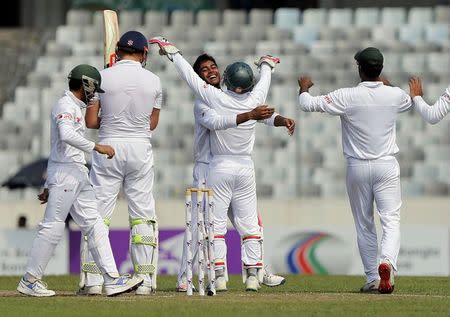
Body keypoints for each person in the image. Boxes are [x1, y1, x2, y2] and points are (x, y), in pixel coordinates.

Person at [150, 37, 295, 291]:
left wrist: (173, 54)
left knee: (241, 223)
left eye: (213, 67)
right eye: (204, 70)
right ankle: (187, 277)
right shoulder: (205, 100)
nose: (211, 71)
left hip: (220, 168)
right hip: (207, 169)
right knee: (201, 227)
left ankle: (252, 272)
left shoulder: (219, 97)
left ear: (225, 75)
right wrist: (266, 66)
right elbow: (246, 107)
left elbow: (260, 114)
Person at [16, 64, 142, 297]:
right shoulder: (65, 105)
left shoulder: (73, 106)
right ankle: (30, 280)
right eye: (93, 90)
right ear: (86, 84)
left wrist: (46, 185)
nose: (94, 95)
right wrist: (97, 147)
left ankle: (111, 279)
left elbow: (58, 147)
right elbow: (65, 136)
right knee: (53, 226)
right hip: (65, 173)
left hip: (75, 172)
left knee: (95, 224)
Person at [297, 47, 414, 294]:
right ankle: (388, 263)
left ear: (359, 69)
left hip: (357, 167)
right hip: (386, 165)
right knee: (391, 221)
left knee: (364, 223)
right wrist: (385, 82)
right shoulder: (394, 96)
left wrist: (304, 87)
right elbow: (406, 99)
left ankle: (373, 277)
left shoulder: (347, 95)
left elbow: (306, 105)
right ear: (380, 70)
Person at [80, 31, 162, 296]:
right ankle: (145, 280)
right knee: (141, 214)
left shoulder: (100, 77)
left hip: (108, 147)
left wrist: (112, 119)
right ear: (143, 53)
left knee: (98, 215)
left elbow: (91, 122)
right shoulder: (154, 81)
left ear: (117, 51)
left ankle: (92, 281)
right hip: (139, 147)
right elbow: (152, 123)